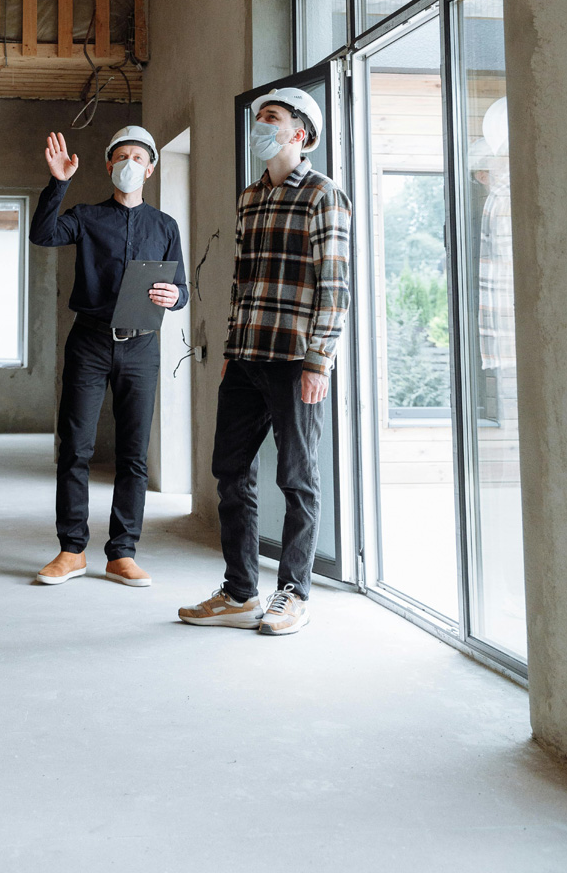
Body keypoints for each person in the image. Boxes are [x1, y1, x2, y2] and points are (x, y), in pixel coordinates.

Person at [178, 89, 351, 635]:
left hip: (296, 360)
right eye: (259, 118)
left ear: (299, 134)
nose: (260, 126)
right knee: (229, 470)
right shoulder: (249, 197)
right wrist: (231, 350)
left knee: (297, 477)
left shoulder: (324, 195)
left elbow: (336, 286)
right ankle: (240, 592)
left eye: (271, 119)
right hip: (247, 357)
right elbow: (241, 282)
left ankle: (294, 593)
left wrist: (319, 360)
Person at [29, 126, 188, 588]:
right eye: (121, 155)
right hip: (90, 341)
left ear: (151, 168)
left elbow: (181, 290)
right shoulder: (86, 216)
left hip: (142, 346)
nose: (130, 162)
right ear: (108, 164)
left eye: (139, 156)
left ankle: (122, 552)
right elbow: (43, 234)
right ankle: (71, 549)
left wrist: (173, 296)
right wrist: (59, 183)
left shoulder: (165, 226)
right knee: (75, 447)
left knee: (133, 453)